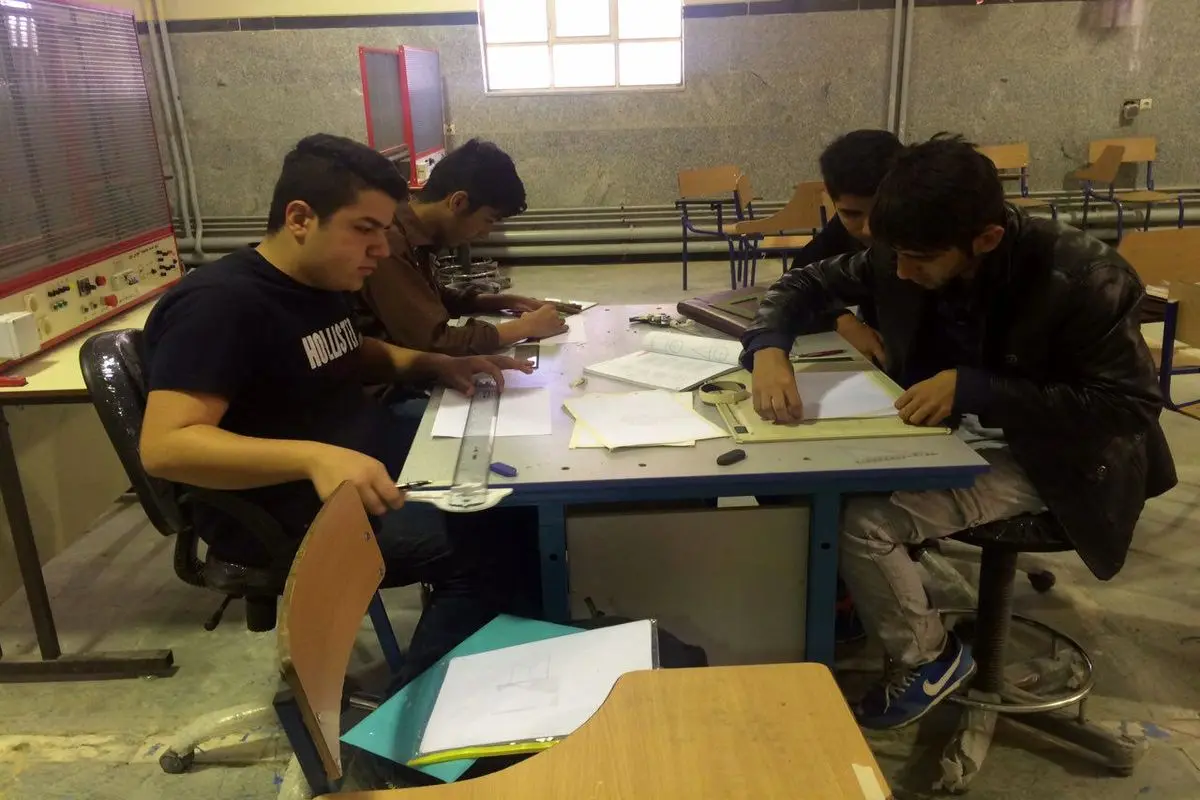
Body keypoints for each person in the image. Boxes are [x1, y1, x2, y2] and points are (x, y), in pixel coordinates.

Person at [741, 134, 1176, 729]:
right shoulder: (907, 248)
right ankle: (857, 604)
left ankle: (928, 659)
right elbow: (803, 283)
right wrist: (769, 348)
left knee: (863, 524)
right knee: (812, 476)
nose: (900, 272)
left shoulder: (1085, 277)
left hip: (1064, 458)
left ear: (986, 239)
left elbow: (1128, 408)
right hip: (967, 427)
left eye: (918, 260)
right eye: (894, 255)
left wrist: (974, 389)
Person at [140, 133, 539, 680]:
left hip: (361, 466)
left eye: (384, 230)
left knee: (520, 493)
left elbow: (348, 349)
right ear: (300, 218)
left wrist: (435, 364)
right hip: (290, 511)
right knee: (496, 546)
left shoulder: (318, 280)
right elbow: (165, 447)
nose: (382, 249)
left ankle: (500, 666)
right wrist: (315, 457)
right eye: (365, 229)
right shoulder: (220, 305)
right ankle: (420, 719)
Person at [359, 138, 566, 356]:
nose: (485, 234)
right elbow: (433, 341)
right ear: (458, 202)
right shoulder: (389, 243)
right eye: (488, 220)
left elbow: (430, 299)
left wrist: (507, 301)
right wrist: (524, 328)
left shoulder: (416, 234)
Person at [792, 129, 902, 367]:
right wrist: (840, 320)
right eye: (852, 214)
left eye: (881, 211)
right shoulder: (840, 231)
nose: (869, 229)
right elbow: (797, 281)